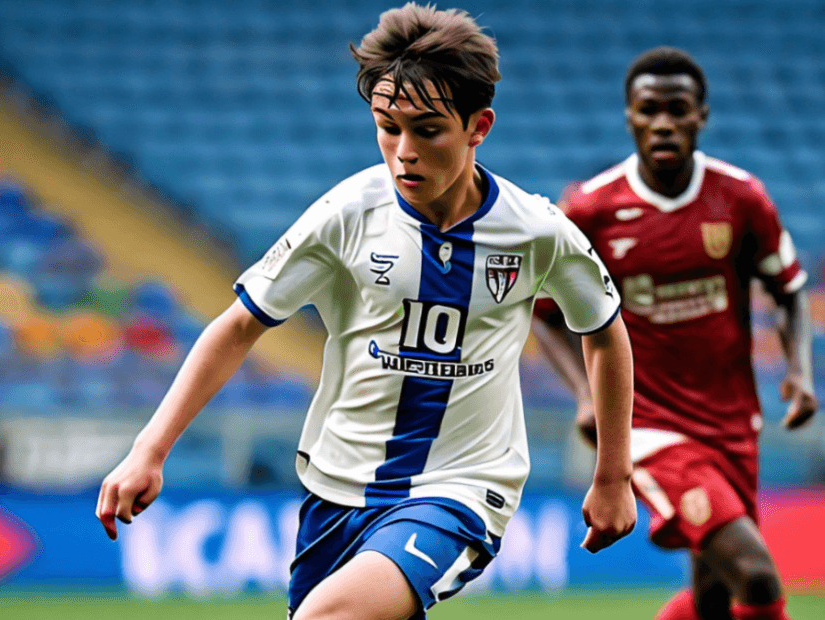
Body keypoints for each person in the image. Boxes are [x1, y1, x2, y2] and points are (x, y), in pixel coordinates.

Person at [96, 4, 637, 619]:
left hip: (460, 488)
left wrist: (613, 475)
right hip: (336, 488)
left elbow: (604, 331)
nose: (403, 151)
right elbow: (240, 324)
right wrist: (150, 448)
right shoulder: (348, 212)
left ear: (477, 126)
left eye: (427, 130)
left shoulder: (537, 231)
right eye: (387, 126)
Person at [533, 47, 818, 620]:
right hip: (648, 427)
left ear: (701, 116)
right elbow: (544, 314)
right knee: (757, 580)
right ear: (631, 116)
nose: (664, 122)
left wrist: (799, 370)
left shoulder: (741, 198)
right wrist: (589, 396)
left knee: (711, 599)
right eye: (650, 109)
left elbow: (788, 289)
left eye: (678, 109)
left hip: (734, 423)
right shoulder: (594, 209)